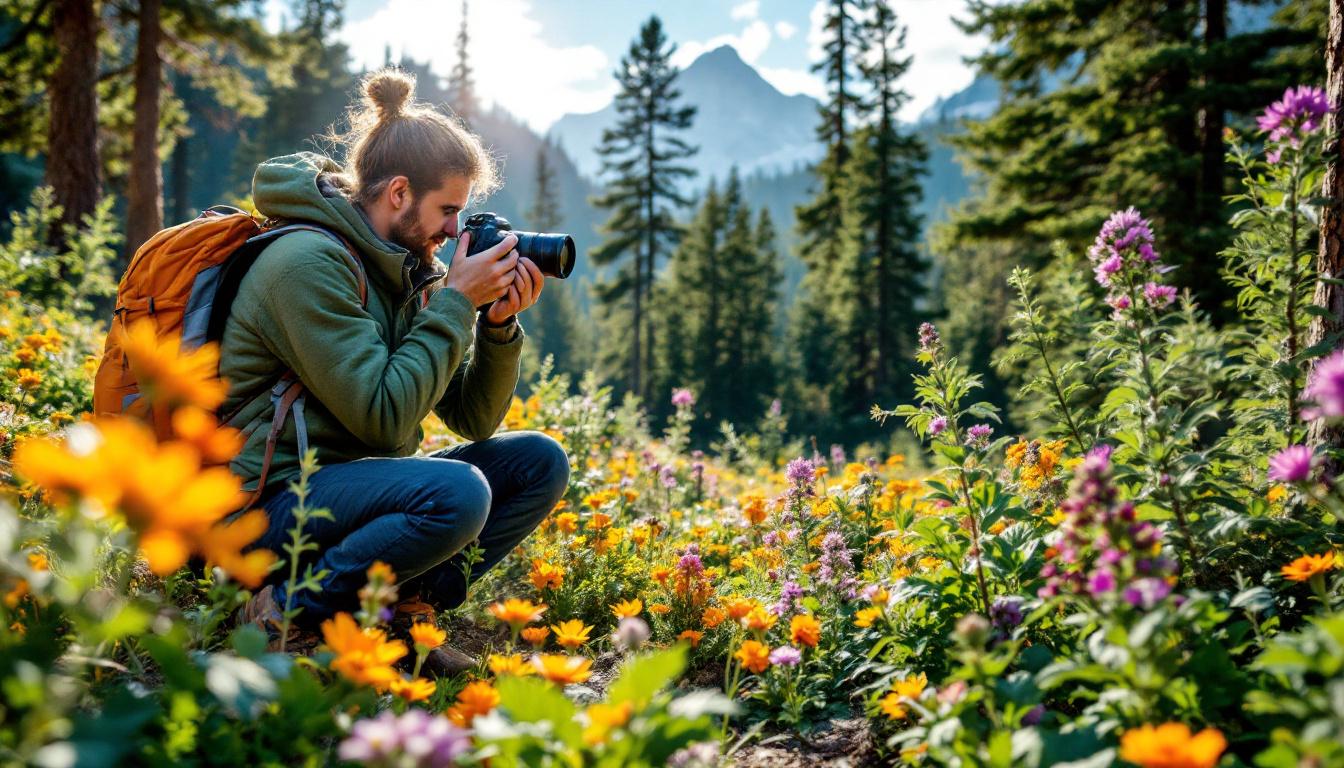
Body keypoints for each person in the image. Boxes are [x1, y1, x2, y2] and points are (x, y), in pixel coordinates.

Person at [229, 68, 569, 672]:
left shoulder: (402, 266)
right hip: (262, 510)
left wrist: (495, 328)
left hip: (337, 497)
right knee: (459, 494)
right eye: (448, 211)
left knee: (537, 461)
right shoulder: (306, 263)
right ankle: (288, 612)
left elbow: (474, 421)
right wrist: (457, 302)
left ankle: (397, 614)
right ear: (398, 193)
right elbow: (386, 421)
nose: (452, 231)